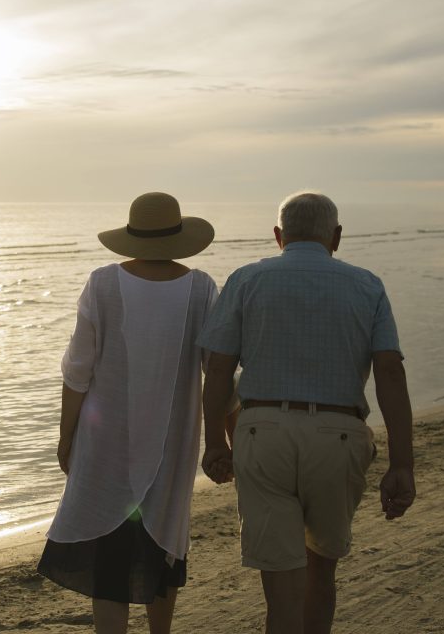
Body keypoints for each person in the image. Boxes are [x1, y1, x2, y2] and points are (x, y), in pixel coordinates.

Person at [199, 191, 415, 634]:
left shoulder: (246, 279)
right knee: (321, 571)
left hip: (263, 434)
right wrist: (402, 463)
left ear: (278, 235)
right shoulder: (367, 284)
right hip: (339, 435)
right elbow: (390, 372)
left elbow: (218, 368)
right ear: (336, 236)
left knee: (281, 587)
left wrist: (215, 442)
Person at [37, 191, 224, 634]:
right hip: (172, 444)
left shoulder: (103, 283)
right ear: (178, 237)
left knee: (110, 555)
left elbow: (77, 372)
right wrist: (223, 439)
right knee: (163, 544)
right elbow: (216, 373)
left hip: (107, 445)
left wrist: (67, 438)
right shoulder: (200, 288)